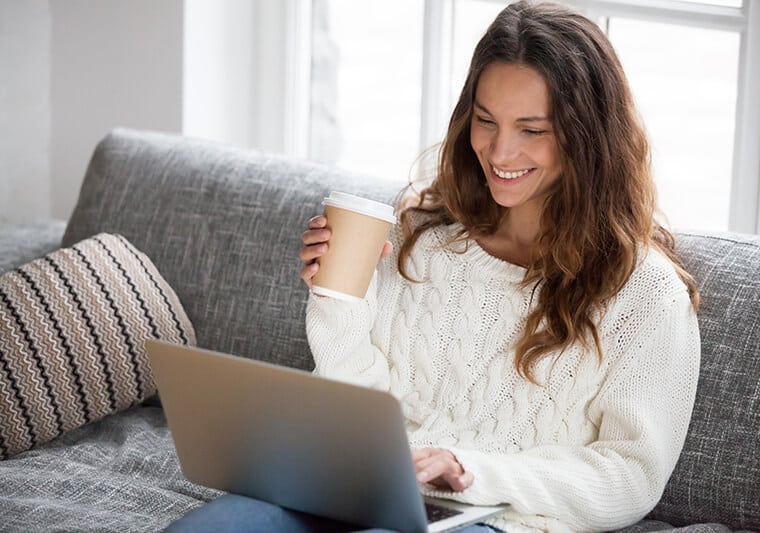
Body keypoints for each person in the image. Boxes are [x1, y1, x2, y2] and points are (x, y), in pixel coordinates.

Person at [169, 1, 701, 531]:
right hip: (356, 485)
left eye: (532, 130)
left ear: (587, 137)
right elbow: (360, 401)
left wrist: (471, 470)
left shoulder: (645, 294)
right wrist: (338, 297)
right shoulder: (423, 236)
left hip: (498, 519)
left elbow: (631, 476)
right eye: (486, 121)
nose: (499, 151)